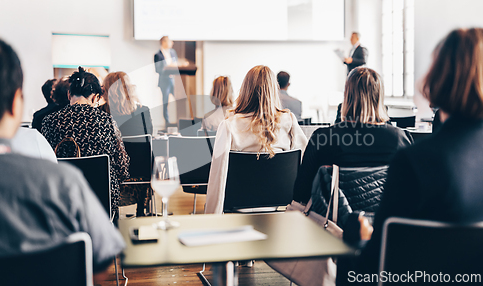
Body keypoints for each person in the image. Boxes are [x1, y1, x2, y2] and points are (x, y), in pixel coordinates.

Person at [338, 28, 483, 285]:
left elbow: (376, 265)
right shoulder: (403, 145)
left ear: (439, 78)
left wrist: (358, 238)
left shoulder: (416, 162)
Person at [0, 34, 124, 282]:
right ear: (16, 104)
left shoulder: (48, 122)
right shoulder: (61, 183)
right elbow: (100, 263)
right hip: (99, 207)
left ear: (69, 95)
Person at [293, 67, 413, 205]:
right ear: (379, 97)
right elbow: (410, 189)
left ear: (347, 96)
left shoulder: (322, 138)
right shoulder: (400, 138)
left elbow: (301, 192)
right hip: (384, 221)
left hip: (333, 223)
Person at [205, 65, 308, 214]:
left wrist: (212, 219)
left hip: (238, 207)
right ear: (274, 90)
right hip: (281, 207)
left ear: (245, 89)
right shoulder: (289, 121)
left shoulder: (229, 125)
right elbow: (306, 163)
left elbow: (218, 176)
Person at [41, 67, 130, 213]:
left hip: (64, 199)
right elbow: (122, 168)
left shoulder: (49, 121)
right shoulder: (107, 121)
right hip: (103, 200)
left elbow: (46, 164)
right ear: (95, 97)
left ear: (69, 94)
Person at [101, 71, 153, 216]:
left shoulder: (101, 113)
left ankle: (114, 214)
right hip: (143, 176)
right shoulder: (144, 111)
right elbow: (149, 138)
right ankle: (142, 211)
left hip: (114, 177)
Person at [101, 71, 153, 137]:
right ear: (129, 89)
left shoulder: (99, 112)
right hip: (138, 147)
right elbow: (149, 135)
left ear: (105, 90)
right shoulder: (144, 111)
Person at [154, 35, 178, 124]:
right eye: (169, 41)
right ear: (164, 42)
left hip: (173, 80)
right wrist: (168, 67)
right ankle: (167, 121)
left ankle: (179, 120)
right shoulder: (158, 55)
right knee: (165, 102)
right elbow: (158, 69)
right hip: (164, 81)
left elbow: (176, 64)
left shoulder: (172, 52)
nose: (172, 43)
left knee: (179, 100)